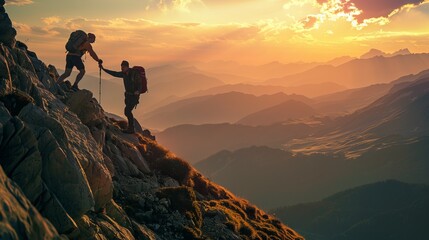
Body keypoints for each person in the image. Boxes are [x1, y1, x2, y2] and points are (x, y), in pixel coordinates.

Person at [99, 60, 142, 133]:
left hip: (134, 96)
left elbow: (140, 84)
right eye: (121, 67)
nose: (122, 69)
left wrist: (138, 91)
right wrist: (103, 69)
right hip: (128, 96)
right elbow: (114, 73)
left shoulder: (134, 73)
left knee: (127, 111)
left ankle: (131, 128)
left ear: (127, 67)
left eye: (123, 67)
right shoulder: (124, 74)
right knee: (127, 111)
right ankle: (131, 128)